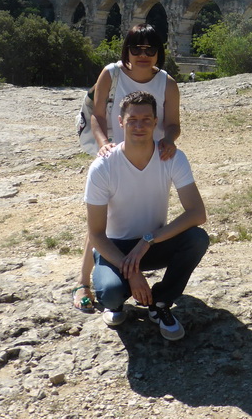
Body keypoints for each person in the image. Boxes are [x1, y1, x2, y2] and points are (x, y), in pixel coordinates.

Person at [73, 24, 181, 313]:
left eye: (150, 49)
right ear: (127, 50)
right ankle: (84, 281)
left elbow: (172, 123)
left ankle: (131, 266)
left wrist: (168, 140)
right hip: (112, 152)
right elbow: (97, 115)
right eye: (136, 48)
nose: (143, 55)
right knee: (101, 216)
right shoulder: (111, 73)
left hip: (151, 155)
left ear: (159, 52)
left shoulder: (167, 83)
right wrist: (104, 144)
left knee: (132, 213)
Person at [85, 90, 208, 337]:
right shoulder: (103, 166)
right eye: (132, 120)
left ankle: (160, 303)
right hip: (115, 248)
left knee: (197, 239)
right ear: (121, 122)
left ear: (155, 122)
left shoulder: (171, 157)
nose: (139, 126)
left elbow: (197, 213)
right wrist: (133, 273)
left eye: (146, 120)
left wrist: (148, 239)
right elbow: (96, 234)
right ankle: (118, 301)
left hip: (152, 244)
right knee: (109, 293)